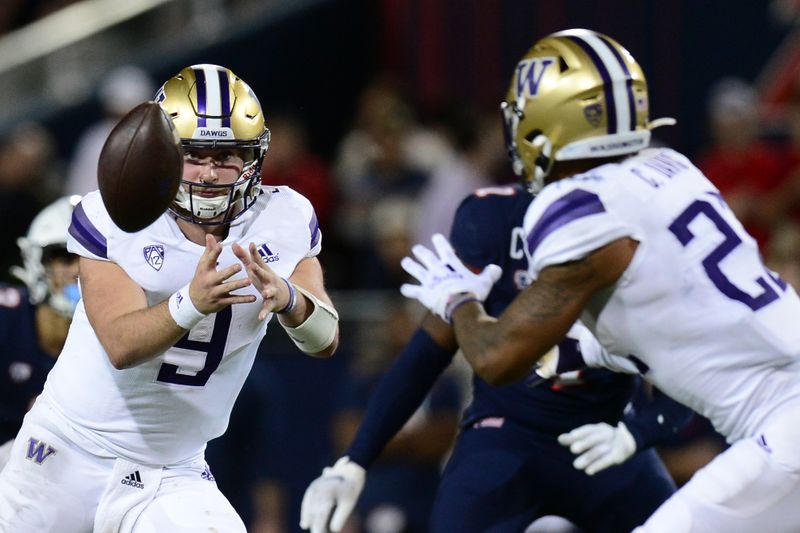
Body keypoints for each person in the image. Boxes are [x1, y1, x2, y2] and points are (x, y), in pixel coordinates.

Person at [399, 29, 800, 532]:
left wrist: (456, 298)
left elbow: (496, 359)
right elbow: (671, 314)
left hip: (785, 425)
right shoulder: (670, 166)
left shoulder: (580, 210)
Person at [0, 63, 340, 533]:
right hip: (68, 451)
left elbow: (325, 339)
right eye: (195, 154)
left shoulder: (284, 217)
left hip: (173, 470)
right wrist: (192, 302)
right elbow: (120, 344)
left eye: (228, 156)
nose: (210, 172)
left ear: (255, 157)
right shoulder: (112, 215)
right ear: (159, 153)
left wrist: (289, 299)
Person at [301, 181, 690, 533]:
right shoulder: (495, 218)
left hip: (605, 435)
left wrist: (637, 432)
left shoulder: (635, 220)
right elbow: (430, 348)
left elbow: (684, 368)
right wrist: (355, 459)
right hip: (508, 432)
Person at [0, 195, 81, 467]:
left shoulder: (120, 337)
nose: (78, 271)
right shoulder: (6, 316)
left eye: (92, 259)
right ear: (35, 260)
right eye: (64, 257)